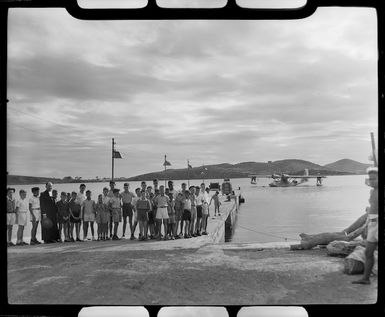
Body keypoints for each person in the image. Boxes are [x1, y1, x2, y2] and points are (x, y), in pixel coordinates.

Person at [353, 167, 378, 285]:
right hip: (372, 224)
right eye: (370, 179)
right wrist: (367, 224)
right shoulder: (372, 191)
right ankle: (366, 279)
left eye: (374, 179)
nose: (371, 181)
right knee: (368, 252)